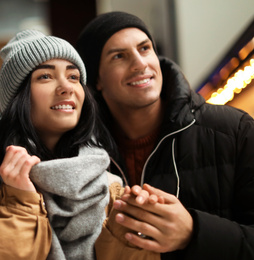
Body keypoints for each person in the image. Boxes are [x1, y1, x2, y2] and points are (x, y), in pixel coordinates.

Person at [0, 29, 159, 260]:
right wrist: (18, 204)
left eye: (73, 76)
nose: (66, 87)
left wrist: (130, 233)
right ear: (18, 97)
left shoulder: (110, 186)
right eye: (45, 76)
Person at [76, 10, 254, 259]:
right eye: (119, 56)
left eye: (145, 48)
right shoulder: (81, 156)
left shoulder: (235, 131)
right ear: (97, 80)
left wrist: (194, 232)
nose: (140, 63)